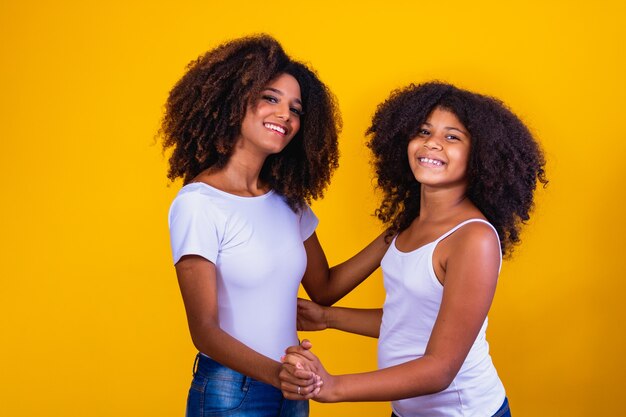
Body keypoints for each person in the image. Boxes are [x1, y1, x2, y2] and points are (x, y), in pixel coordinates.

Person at [279, 81, 548, 417]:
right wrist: (327, 317)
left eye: (452, 136)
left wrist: (333, 386)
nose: (432, 143)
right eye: (423, 131)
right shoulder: (403, 229)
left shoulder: (473, 239)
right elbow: (406, 319)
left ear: (479, 156)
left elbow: (440, 368)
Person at [161, 34, 354, 416]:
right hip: (232, 390)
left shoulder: (289, 202)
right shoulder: (199, 204)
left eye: (295, 109)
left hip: (292, 388)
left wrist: (395, 233)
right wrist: (277, 374)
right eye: (270, 98)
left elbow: (325, 288)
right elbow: (204, 330)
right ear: (233, 102)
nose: (285, 114)